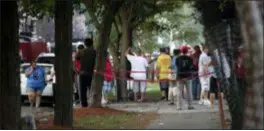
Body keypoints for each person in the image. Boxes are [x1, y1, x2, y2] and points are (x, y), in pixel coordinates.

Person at [75, 38, 96, 107]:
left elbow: (76, 59)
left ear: (85, 44)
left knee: (82, 90)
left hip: (82, 73)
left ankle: (84, 104)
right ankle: (92, 101)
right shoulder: (94, 52)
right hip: (91, 73)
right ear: (92, 44)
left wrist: (77, 71)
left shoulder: (80, 52)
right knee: (91, 88)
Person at [175, 45, 194, 110]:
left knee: (179, 92)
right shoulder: (190, 58)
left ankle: (179, 106)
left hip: (180, 76)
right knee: (189, 91)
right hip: (188, 76)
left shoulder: (177, 58)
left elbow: (177, 67)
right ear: (187, 51)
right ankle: (190, 105)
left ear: (181, 51)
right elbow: (191, 67)